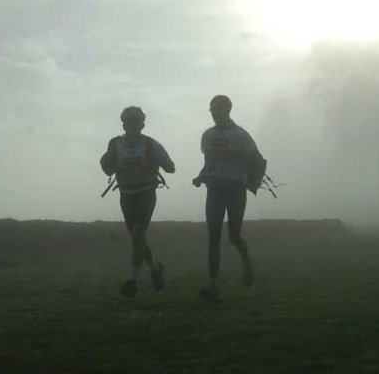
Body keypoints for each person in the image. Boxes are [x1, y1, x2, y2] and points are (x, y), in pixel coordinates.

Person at [99, 105, 176, 298]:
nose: (132, 125)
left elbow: (171, 168)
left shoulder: (151, 145)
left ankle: (133, 282)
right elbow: (107, 168)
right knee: (137, 239)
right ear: (124, 124)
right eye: (129, 122)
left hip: (145, 194)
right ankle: (154, 269)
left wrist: (160, 161)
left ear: (142, 124)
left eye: (136, 121)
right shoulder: (115, 144)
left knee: (137, 235)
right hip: (126, 195)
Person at [192, 94, 262, 301]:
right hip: (214, 190)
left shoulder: (241, 136)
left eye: (219, 110)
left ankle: (246, 261)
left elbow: (257, 160)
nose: (215, 114)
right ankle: (213, 285)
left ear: (228, 110)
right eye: (212, 110)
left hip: (235, 190)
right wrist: (201, 176)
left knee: (233, 235)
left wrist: (251, 180)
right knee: (213, 237)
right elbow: (209, 162)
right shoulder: (207, 136)